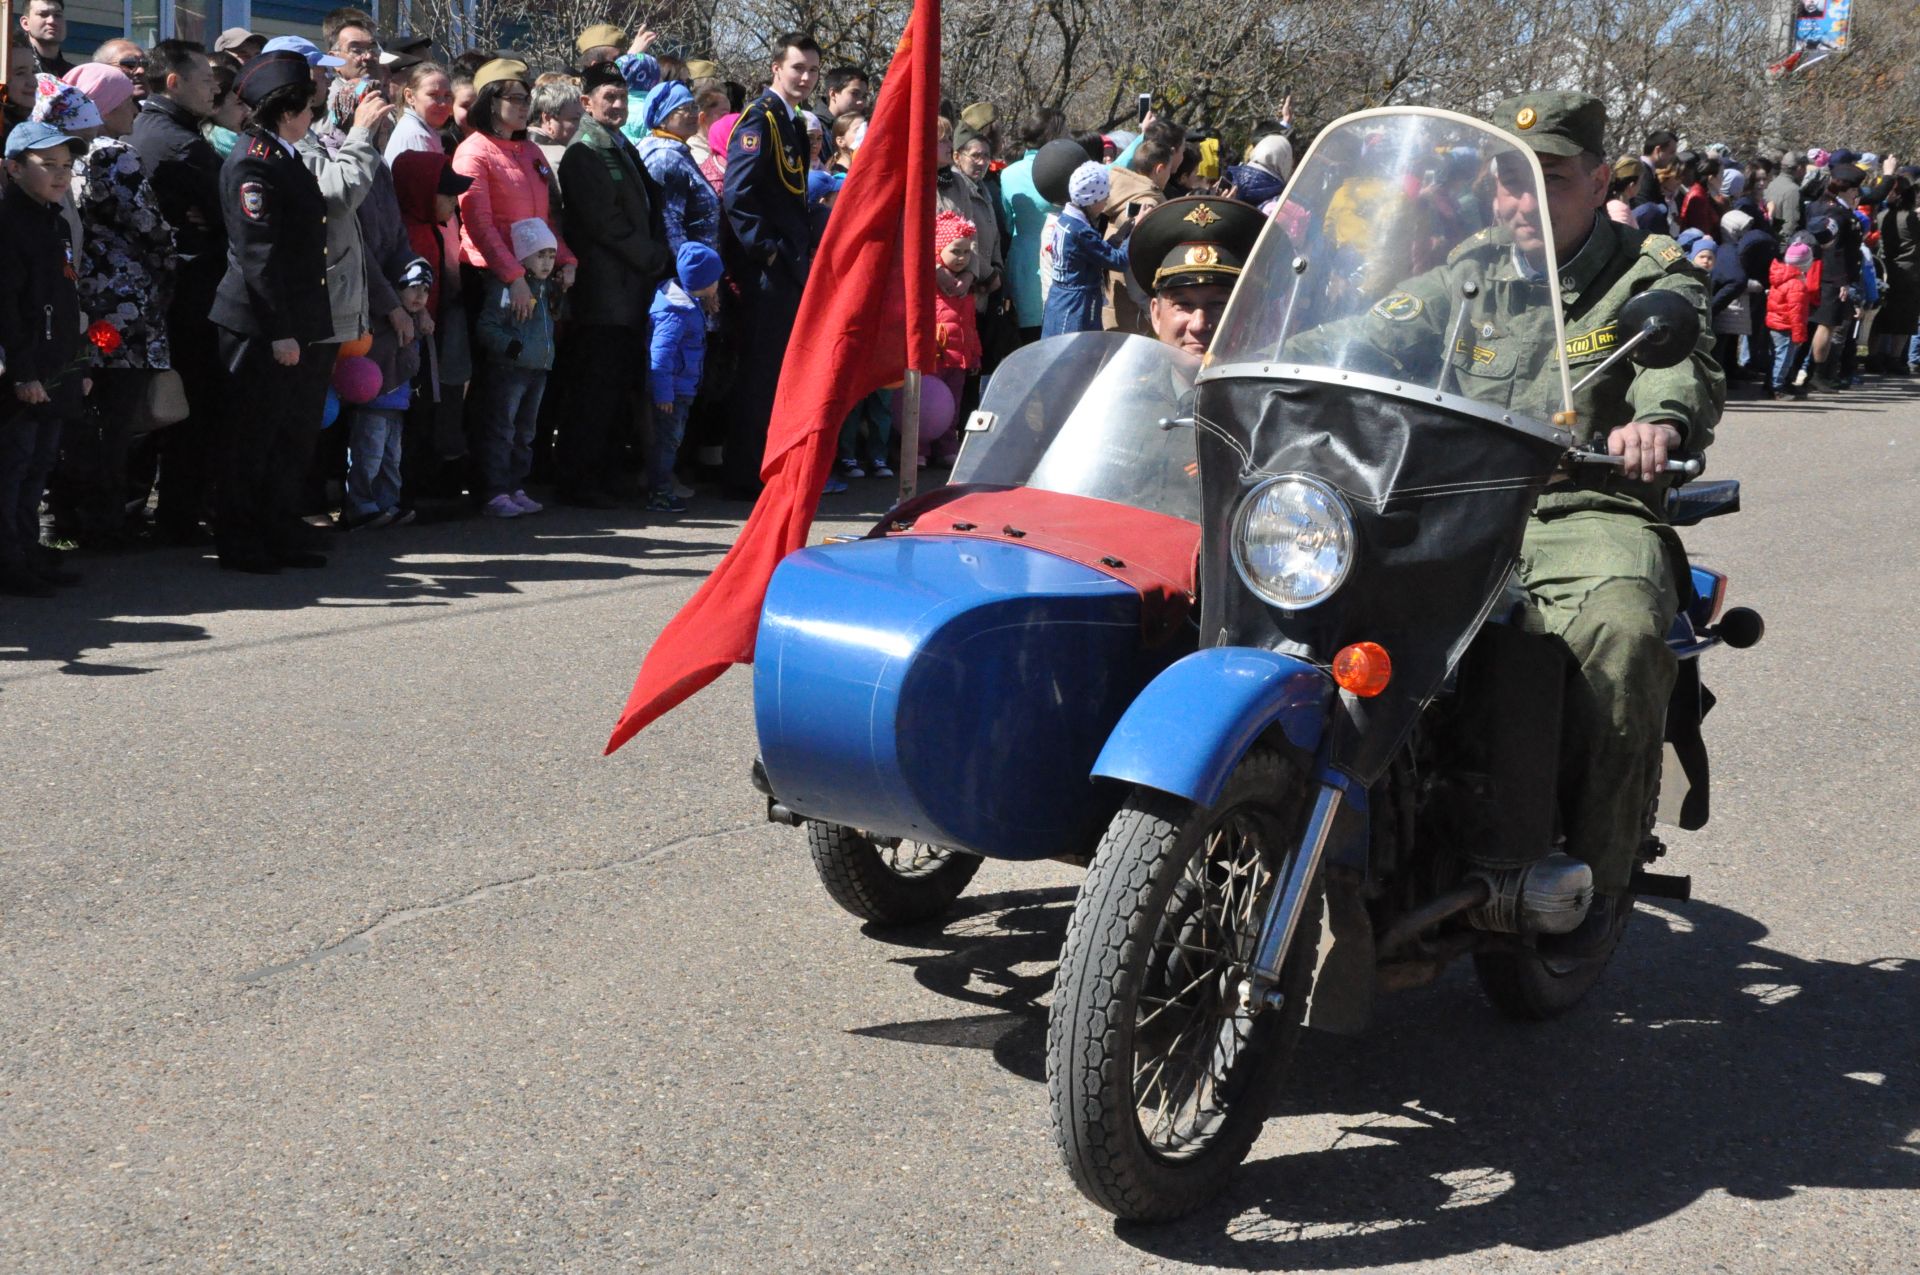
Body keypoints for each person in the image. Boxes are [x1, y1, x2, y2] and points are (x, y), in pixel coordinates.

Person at [207, 50, 337, 573]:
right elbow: (258, 256)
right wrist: (280, 332)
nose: (314, 116)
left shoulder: (281, 154)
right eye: (308, 106)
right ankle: (240, 539)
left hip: (296, 319)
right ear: (287, 110)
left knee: (288, 436)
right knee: (252, 437)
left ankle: (276, 528)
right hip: (260, 324)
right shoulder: (253, 161)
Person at [50, 63, 174, 549]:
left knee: (81, 412)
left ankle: (65, 516)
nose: (136, 109)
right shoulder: (115, 156)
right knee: (116, 417)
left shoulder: (64, 154)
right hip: (123, 306)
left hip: (83, 299)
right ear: (103, 107)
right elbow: (148, 224)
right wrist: (170, 254)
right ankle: (104, 524)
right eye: (126, 101)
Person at [556, 60, 668, 507]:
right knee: (594, 391)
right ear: (586, 102)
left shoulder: (617, 143)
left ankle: (604, 473)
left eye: (622, 97)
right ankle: (579, 480)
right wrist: (656, 258)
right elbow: (606, 223)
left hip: (626, 288)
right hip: (604, 291)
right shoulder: (585, 150)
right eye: (609, 98)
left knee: (615, 388)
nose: (619, 105)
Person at [129, 38, 225, 545]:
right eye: (206, 78)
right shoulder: (179, 143)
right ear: (173, 82)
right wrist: (206, 224)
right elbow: (230, 210)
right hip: (189, 293)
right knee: (193, 407)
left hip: (170, 288)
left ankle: (165, 513)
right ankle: (178, 518)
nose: (215, 86)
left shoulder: (156, 127)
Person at [718, 31, 819, 498]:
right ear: (776, 67)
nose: (805, 77)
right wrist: (768, 250)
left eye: (812, 70)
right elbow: (738, 195)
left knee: (779, 372)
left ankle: (766, 467)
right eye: (798, 67)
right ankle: (743, 474)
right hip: (768, 269)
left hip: (791, 264)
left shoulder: (793, 121)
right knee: (760, 373)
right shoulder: (758, 120)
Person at [0, 119, 87, 596]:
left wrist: (78, 365)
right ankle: (9, 558)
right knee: (14, 465)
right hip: (27, 369)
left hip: (58, 364)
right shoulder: (10, 222)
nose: (60, 175)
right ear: (13, 169)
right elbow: (9, 306)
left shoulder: (54, 219)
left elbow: (67, 294)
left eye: (67, 166)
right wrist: (23, 371)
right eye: (46, 165)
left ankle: (28, 549)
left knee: (38, 467)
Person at [473, 217, 559, 518]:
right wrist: (511, 346)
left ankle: (515, 485)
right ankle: (495, 490)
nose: (547, 262)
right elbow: (487, 326)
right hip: (510, 369)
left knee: (526, 432)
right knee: (502, 430)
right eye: (540, 255)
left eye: (551, 255)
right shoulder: (507, 287)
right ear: (523, 255)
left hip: (537, 369)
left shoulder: (547, 288)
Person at [342, 255, 431, 528]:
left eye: (425, 290)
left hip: (397, 403)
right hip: (374, 400)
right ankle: (360, 505)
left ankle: (386, 504)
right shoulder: (381, 321)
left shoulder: (415, 322)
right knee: (367, 455)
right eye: (413, 287)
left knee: (391, 458)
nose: (420, 295)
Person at [1124, 193, 1266, 356]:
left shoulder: (1274, 381)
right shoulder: (1131, 382)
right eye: (1183, 304)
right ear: (1156, 315)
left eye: (1219, 304)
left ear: (1250, 316)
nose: (1198, 325)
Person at [648, 242, 725, 511]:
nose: (718, 284)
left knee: (671, 441)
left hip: (681, 388)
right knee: (667, 443)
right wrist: (664, 394)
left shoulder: (686, 305)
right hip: (673, 392)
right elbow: (660, 356)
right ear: (703, 282)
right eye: (715, 280)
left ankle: (663, 486)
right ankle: (659, 492)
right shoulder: (676, 314)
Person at [999, 109, 1067, 342]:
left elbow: (1008, 222)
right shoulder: (1062, 169)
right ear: (1054, 135)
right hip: (1056, 257)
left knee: (1027, 338)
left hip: (1022, 262)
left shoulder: (1007, 174)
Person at [1040, 161, 1130, 337]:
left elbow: (1096, 251)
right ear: (1091, 200)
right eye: (1104, 197)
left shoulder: (1065, 220)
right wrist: (1135, 232)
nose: (1106, 203)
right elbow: (1119, 261)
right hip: (1076, 307)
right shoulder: (1081, 231)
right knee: (1075, 356)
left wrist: (1123, 232)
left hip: (1060, 300)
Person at [638, 76, 719, 255]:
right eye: (684, 109)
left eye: (694, 107)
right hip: (689, 270)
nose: (693, 115)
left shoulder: (677, 150)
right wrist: (690, 271)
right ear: (663, 118)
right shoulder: (665, 158)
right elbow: (670, 225)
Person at [1806, 161, 1865, 390]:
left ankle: (1818, 371)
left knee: (1825, 325)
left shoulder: (1833, 208)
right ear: (1848, 190)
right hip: (1830, 276)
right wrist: (1841, 281)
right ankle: (1817, 374)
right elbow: (1834, 249)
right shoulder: (1834, 211)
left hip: (1831, 275)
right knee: (1826, 325)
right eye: (1855, 190)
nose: (1857, 195)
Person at [1767, 239, 1814, 397]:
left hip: (1776, 322)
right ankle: (1777, 387)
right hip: (1787, 325)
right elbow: (1797, 312)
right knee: (1784, 357)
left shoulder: (1781, 277)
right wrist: (1799, 335)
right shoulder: (1796, 284)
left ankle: (1774, 382)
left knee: (1776, 354)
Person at [386, 61, 453, 161]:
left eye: (447, 95)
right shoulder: (417, 136)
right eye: (433, 95)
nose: (443, 103)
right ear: (410, 96)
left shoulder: (420, 130)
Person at [528, 77, 582, 171]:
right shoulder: (562, 160)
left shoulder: (518, 147)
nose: (582, 126)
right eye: (575, 119)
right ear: (548, 120)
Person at [17, 0, 71, 78]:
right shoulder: (11, 69)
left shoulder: (75, 75)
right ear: (25, 23)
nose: (52, 21)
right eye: (43, 14)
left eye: (57, 15)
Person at [1766, 149, 1807, 240]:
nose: (1806, 172)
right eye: (1805, 168)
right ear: (1800, 169)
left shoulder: (1771, 184)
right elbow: (1790, 226)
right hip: (1784, 247)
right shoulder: (1793, 191)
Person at [817, 64, 868, 130]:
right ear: (833, 94)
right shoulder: (813, 127)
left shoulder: (863, 127)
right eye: (855, 94)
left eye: (864, 96)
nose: (861, 102)